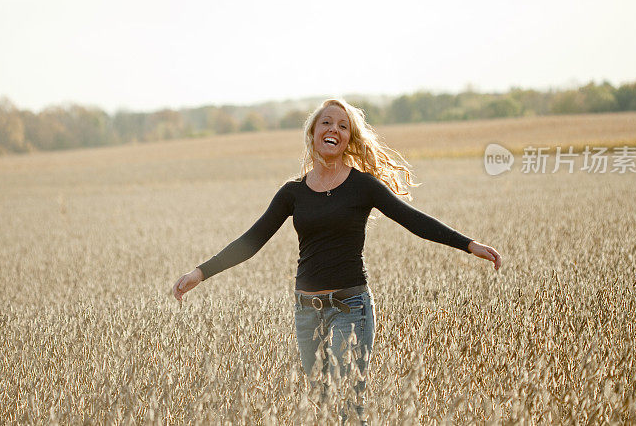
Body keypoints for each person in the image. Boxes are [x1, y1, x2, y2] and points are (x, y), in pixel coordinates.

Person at [173, 98, 502, 424]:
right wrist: (200, 273)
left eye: (343, 126)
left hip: (350, 308)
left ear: (349, 139)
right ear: (314, 132)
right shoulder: (293, 192)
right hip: (306, 313)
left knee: (347, 404)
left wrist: (468, 244)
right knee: (323, 406)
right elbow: (251, 241)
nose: (334, 129)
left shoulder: (363, 186)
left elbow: (412, 220)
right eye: (327, 122)